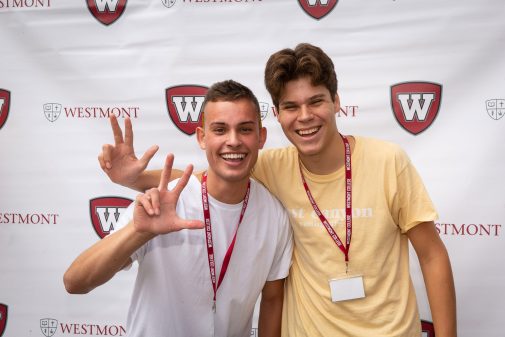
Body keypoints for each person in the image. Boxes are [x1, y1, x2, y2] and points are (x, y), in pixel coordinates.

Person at [97, 44, 457, 337]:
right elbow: (211, 172)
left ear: (336, 102)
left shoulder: (387, 161)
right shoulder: (272, 166)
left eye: (316, 101)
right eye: (290, 106)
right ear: (278, 114)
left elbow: (431, 255)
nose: (304, 116)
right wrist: (133, 180)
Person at [64, 80, 293, 337]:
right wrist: (140, 231)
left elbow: (273, 300)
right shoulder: (164, 201)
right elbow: (75, 282)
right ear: (202, 138)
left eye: (245, 129)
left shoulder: (274, 215)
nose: (233, 141)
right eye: (220, 129)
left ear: (261, 137)